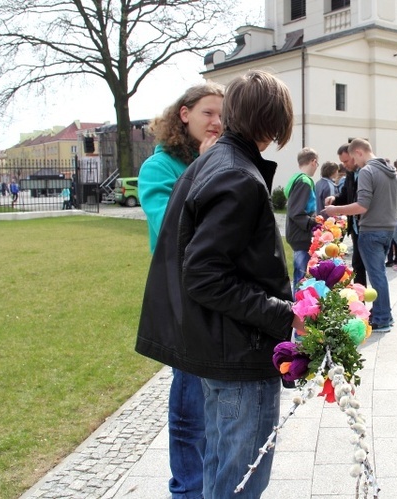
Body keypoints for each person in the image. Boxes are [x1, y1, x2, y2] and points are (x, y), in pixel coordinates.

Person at [136, 70, 301, 499]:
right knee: (239, 481)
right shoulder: (235, 173)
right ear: (274, 119)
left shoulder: (220, 161)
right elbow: (204, 274)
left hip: (219, 345)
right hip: (236, 353)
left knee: (220, 471)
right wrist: (286, 314)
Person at [137, 82, 224, 499]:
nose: (217, 122)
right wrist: (203, 168)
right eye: (208, 113)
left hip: (219, 294)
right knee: (190, 406)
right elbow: (171, 227)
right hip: (182, 296)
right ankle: (188, 491)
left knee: (216, 402)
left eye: (223, 115)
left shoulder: (218, 157)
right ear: (184, 114)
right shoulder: (159, 168)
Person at [324, 138, 397, 332]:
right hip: (388, 230)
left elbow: (362, 205)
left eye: (353, 159)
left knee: (377, 277)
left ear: (358, 152)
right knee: (380, 275)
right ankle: (385, 314)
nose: (354, 165)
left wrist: (336, 210)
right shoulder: (391, 170)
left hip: (371, 230)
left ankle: (382, 318)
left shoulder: (367, 171)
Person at [325, 143, 366, 286]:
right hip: (355, 228)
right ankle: (360, 304)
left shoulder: (366, 172)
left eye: (346, 161)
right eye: (342, 162)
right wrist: (334, 199)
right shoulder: (350, 174)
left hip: (367, 227)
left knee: (373, 270)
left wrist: (336, 209)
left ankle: (380, 307)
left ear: (355, 155)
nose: (344, 165)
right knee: (357, 265)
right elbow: (346, 195)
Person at [285, 147, 319, 292]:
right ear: (313, 161)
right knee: (302, 277)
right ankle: (298, 311)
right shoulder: (304, 181)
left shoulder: (297, 179)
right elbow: (296, 212)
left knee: (301, 275)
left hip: (298, 234)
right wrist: (314, 222)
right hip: (301, 235)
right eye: (316, 164)